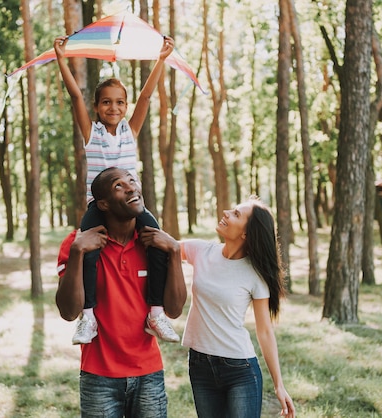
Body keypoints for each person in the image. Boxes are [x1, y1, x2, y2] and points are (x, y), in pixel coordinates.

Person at [54, 34, 180, 344]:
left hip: (134, 206)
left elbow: (147, 97)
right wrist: (61, 59)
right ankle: (88, 317)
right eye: (107, 102)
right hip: (100, 207)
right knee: (87, 254)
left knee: (158, 245)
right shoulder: (91, 133)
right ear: (96, 107)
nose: (114, 107)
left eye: (120, 102)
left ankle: (156, 313)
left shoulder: (130, 131)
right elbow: (73, 96)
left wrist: (161, 60)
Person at [142, 196, 295, 418]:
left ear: (246, 234)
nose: (225, 212)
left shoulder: (255, 275)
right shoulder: (201, 250)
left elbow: (264, 331)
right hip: (199, 364)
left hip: (240, 370)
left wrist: (279, 385)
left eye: (235, 214)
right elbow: (162, 246)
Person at [56, 167, 187, 417]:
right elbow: (69, 312)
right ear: (103, 204)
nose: (131, 187)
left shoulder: (156, 244)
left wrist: (174, 252)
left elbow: (174, 309)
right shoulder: (78, 243)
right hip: (99, 377)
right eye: (119, 186)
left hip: (149, 374)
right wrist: (76, 253)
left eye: (132, 180)